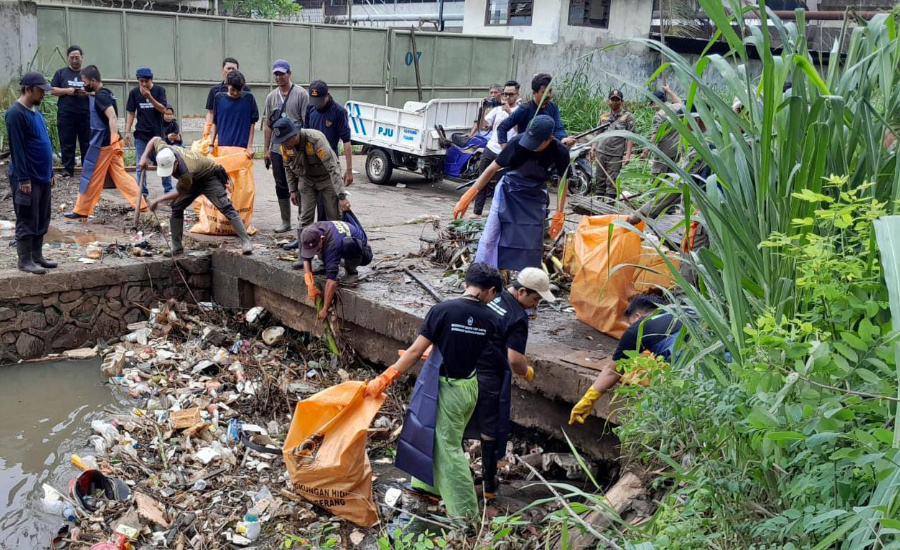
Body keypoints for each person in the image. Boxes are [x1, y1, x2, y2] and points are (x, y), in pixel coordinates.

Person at [365, 263, 504, 521]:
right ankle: (427, 485)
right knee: (432, 433)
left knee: (446, 446)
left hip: (446, 387)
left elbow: (415, 351)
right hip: (469, 386)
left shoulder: (442, 311)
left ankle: (465, 513)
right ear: (490, 290)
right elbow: (477, 352)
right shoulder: (492, 319)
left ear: (467, 282)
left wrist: (387, 376)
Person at [467, 267, 555, 499]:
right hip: (490, 377)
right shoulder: (516, 317)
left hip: (465, 370)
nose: (535, 305)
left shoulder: (490, 299)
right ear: (522, 291)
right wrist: (526, 372)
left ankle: (457, 476)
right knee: (489, 429)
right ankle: (489, 484)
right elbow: (514, 359)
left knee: (459, 425)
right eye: (535, 299)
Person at [454, 115, 570, 272]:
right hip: (508, 191)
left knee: (531, 244)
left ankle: (526, 280)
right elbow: (491, 169)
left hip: (534, 197)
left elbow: (564, 181)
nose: (531, 146)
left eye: (536, 143)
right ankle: (482, 275)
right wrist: (468, 195)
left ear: (549, 139)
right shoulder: (518, 143)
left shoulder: (560, 151)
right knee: (489, 238)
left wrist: (560, 212)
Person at [569, 294, 681, 425]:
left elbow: (612, 371)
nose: (630, 328)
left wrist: (588, 400)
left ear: (638, 316)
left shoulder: (640, 327)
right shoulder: (686, 309)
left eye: (630, 323)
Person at [139, 136, 253, 256]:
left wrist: (158, 200)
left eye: (171, 169)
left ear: (176, 162)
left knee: (225, 206)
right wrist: (143, 157)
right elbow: (154, 139)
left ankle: (246, 241)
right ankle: (177, 246)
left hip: (209, 177)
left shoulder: (185, 170)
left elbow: (179, 191)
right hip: (193, 180)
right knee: (176, 207)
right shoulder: (164, 150)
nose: (171, 172)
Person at [64, 65, 145, 219]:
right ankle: (141, 204)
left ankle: (81, 210)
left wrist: (113, 140)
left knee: (90, 175)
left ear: (93, 81)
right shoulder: (105, 93)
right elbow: (99, 99)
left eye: (84, 81)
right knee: (121, 176)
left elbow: (112, 117)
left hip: (105, 143)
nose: (83, 84)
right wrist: (88, 93)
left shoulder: (101, 96)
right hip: (111, 142)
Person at [270, 118, 350, 261]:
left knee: (334, 218)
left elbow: (333, 168)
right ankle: (304, 256)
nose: (283, 144)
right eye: (280, 141)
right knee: (305, 217)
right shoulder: (285, 147)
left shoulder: (315, 140)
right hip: (306, 180)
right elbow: (288, 167)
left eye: (285, 140)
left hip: (326, 179)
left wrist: (341, 196)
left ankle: (332, 257)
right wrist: (292, 190)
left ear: (294, 135)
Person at [6, 72, 57, 274]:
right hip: (26, 177)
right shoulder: (15, 114)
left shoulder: (36, 112)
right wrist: (23, 178)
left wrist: (50, 172)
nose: (43, 94)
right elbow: (17, 149)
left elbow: (45, 143)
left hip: (42, 175)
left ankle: (37, 255)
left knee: (42, 216)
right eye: (39, 90)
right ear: (28, 89)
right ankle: (24, 259)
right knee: (27, 216)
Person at [263, 60, 309, 234]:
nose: (278, 77)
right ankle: (285, 221)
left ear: (289, 73)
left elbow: (306, 122)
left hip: (295, 145)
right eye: (276, 74)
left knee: (299, 183)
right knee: (280, 183)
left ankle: (301, 221)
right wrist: (267, 149)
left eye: (282, 73)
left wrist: (303, 148)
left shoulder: (301, 94)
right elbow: (268, 125)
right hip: (277, 147)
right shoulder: (271, 97)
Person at [299, 210, 373, 320]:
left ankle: (352, 271)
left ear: (322, 238)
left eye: (316, 248)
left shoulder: (333, 244)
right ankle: (327, 263)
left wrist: (324, 309)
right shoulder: (310, 231)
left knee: (346, 245)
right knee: (323, 252)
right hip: (336, 242)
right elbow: (306, 259)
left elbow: (332, 282)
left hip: (363, 253)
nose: (314, 252)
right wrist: (310, 285)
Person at [471, 80, 520, 218]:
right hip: (491, 148)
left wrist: (510, 113)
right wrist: (483, 110)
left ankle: (496, 214)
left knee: (501, 185)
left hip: (506, 151)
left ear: (517, 94)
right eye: (505, 94)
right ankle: (476, 212)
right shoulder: (497, 109)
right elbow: (484, 126)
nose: (507, 97)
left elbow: (520, 130)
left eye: (511, 94)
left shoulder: (520, 110)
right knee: (482, 179)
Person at [496, 74, 575, 148]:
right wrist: (505, 150)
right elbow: (502, 127)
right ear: (534, 93)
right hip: (527, 151)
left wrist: (563, 139)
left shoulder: (553, 107)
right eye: (544, 92)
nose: (548, 95)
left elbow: (558, 128)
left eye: (550, 91)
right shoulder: (525, 109)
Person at [125, 67, 170, 195]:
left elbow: (163, 109)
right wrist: (127, 132)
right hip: (141, 134)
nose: (144, 84)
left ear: (151, 79)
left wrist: (149, 97)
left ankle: (168, 190)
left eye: (146, 81)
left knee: (164, 162)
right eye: (141, 81)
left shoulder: (159, 91)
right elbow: (131, 113)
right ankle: (142, 192)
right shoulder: (134, 93)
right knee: (140, 164)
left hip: (157, 135)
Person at [50, 45, 90, 179]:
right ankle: (68, 169)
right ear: (68, 58)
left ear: (82, 58)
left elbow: (98, 90)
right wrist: (67, 91)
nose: (74, 61)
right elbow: (52, 90)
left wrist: (87, 92)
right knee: (67, 141)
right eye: (72, 58)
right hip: (66, 114)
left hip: (85, 114)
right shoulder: (61, 73)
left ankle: (87, 169)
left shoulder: (88, 73)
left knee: (86, 142)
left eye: (77, 58)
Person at [591, 89, 635, 200]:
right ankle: (598, 206)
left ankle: (609, 206)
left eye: (617, 100)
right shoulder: (604, 116)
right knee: (599, 180)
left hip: (615, 155)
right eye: (612, 99)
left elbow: (630, 137)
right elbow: (598, 133)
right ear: (608, 101)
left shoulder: (627, 117)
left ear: (622, 102)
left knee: (612, 182)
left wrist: (628, 155)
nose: (615, 102)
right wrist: (593, 148)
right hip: (601, 152)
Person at [210, 70, 258, 155]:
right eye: (232, 90)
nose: (235, 93)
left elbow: (252, 123)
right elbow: (215, 123)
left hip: (242, 149)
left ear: (243, 87)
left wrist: (250, 146)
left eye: (239, 90)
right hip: (223, 148)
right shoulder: (219, 98)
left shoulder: (249, 98)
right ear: (226, 85)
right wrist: (211, 144)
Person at [640, 85, 683, 179]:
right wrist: (669, 90)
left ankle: (655, 193)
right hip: (677, 149)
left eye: (652, 103)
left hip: (664, 151)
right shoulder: (676, 108)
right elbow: (679, 102)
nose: (652, 106)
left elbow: (655, 135)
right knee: (672, 176)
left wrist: (646, 151)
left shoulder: (659, 115)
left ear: (655, 102)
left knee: (658, 177)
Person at [204, 57, 250, 138]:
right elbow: (211, 112)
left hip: (238, 130)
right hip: (219, 129)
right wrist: (208, 129)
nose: (231, 71)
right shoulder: (215, 90)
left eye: (233, 69)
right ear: (222, 70)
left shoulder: (245, 89)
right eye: (228, 68)